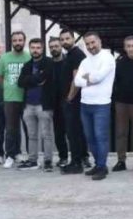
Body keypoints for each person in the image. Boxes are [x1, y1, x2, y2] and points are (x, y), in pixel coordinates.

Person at [71, 32, 116, 180]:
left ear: (99, 41)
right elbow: (77, 81)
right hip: (85, 104)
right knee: (90, 138)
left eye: (93, 42)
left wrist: (88, 77)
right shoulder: (85, 61)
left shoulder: (108, 58)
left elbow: (98, 77)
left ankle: (102, 167)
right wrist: (89, 79)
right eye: (88, 44)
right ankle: (98, 164)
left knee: (100, 137)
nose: (91, 46)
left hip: (101, 104)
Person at [17, 37, 57, 171]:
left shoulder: (49, 63)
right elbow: (20, 82)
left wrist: (31, 79)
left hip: (44, 105)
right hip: (28, 105)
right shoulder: (27, 65)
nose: (35, 50)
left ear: (42, 48)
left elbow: (44, 78)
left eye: (38, 48)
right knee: (31, 135)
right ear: (30, 49)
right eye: (33, 48)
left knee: (46, 135)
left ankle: (47, 161)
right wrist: (36, 79)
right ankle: (32, 160)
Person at [0, 31, 30, 169]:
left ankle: (29, 155)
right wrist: (7, 87)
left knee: (28, 128)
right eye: (15, 40)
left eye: (20, 40)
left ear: (24, 41)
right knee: (11, 128)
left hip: (26, 97)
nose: (17, 43)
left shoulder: (29, 57)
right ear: (11, 42)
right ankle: (10, 155)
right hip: (10, 97)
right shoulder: (4, 58)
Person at [111, 35, 133, 173]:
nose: (131, 49)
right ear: (125, 47)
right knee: (120, 133)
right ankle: (121, 161)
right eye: (128, 46)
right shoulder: (119, 62)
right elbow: (115, 81)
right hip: (121, 102)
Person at [60, 29, 90, 173]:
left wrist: (70, 98)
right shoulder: (69, 55)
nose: (65, 41)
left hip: (74, 100)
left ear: (73, 39)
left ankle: (76, 163)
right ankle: (81, 158)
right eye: (62, 39)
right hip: (72, 100)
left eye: (67, 38)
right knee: (76, 132)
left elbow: (77, 79)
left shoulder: (77, 54)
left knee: (73, 132)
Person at [47, 37, 70, 166]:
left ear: (61, 46)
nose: (54, 49)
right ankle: (63, 157)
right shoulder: (48, 63)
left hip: (69, 101)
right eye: (51, 47)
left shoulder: (68, 61)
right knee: (59, 132)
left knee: (73, 132)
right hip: (54, 103)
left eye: (56, 46)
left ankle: (82, 157)